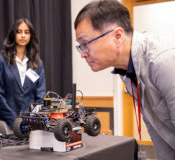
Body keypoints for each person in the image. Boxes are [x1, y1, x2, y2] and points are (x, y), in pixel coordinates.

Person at [74, 1, 175, 159]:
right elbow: (157, 130)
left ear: (117, 36)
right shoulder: (127, 69)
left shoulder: (163, 61)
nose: (83, 54)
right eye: (80, 46)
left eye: (85, 43)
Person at [0, 18, 46, 128]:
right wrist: (15, 121)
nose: (23, 36)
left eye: (27, 32)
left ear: (31, 36)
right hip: (5, 123)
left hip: (30, 124)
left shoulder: (38, 63)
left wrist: (30, 120)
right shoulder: (0, 60)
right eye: (19, 31)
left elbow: (40, 96)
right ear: (13, 34)